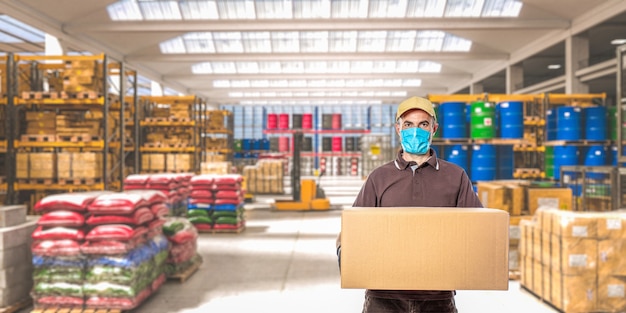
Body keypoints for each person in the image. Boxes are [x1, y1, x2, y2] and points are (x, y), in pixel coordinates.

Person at [336, 96, 483, 313]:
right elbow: (354, 229)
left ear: (434, 128)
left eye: (423, 124)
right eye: (408, 124)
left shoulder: (455, 176)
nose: (416, 131)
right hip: (384, 296)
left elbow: (477, 229)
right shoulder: (379, 177)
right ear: (398, 128)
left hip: (437, 296)